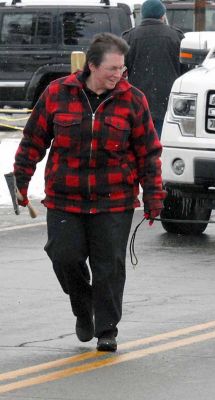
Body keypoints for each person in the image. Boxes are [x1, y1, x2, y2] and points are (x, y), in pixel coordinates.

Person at [13, 32, 166, 352]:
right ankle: (83, 309)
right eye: (112, 69)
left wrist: (153, 198)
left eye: (122, 69)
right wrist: (22, 180)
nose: (118, 75)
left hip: (114, 199)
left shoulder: (133, 99)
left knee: (109, 266)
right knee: (64, 257)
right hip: (65, 197)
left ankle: (107, 328)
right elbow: (33, 140)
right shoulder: (57, 93)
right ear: (92, 66)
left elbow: (148, 153)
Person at [122, 0, 185, 138]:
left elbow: (120, 68)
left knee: (140, 140)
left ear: (143, 15)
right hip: (169, 100)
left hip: (138, 99)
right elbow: (185, 70)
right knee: (163, 140)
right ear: (162, 15)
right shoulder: (176, 36)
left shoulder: (129, 37)